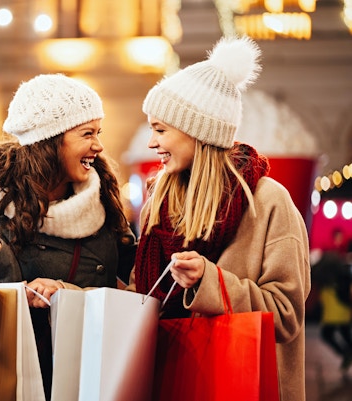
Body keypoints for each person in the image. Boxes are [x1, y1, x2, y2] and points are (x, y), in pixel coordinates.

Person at [127, 36, 311, 401]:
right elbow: (142, 295)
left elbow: (287, 315)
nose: (151, 142)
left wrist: (207, 281)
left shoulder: (268, 202)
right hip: (171, 382)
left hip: (242, 385)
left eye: (160, 129)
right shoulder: (158, 203)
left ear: (198, 131)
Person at [0, 73, 137, 399]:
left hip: (97, 370)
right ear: (50, 142)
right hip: (27, 382)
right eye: (87, 133)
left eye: (98, 132)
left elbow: (132, 282)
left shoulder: (103, 200)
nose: (99, 146)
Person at [311, 229, 352, 373]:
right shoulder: (337, 260)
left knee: (328, 333)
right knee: (343, 332)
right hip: (342, 306)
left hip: (337, 307)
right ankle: (347, 353)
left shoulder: (330, 258)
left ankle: (347, 353)